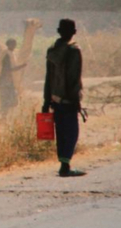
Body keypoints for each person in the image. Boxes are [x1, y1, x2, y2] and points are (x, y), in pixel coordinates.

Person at [42, 19, 86, 177]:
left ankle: (63, 164)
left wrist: (46, 102)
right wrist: (76, 101)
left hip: (55, 99)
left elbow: (49, 78)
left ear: (58, 31)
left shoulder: (52, 50)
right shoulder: (74, 50)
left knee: (61, 133)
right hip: (69, 100)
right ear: (74, 32)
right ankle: (65, 166)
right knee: (72, 132)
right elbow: (74, 79)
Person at [0, 38, 26, 116]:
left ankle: (1, 117)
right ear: (9, 45)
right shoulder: (6, 55)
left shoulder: (11, 54)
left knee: (11, 102)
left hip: (9, 81)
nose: (14, 46)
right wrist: (21, 66)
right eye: (13, 44)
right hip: (5, 81)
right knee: (6, 102)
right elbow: (8, 69)